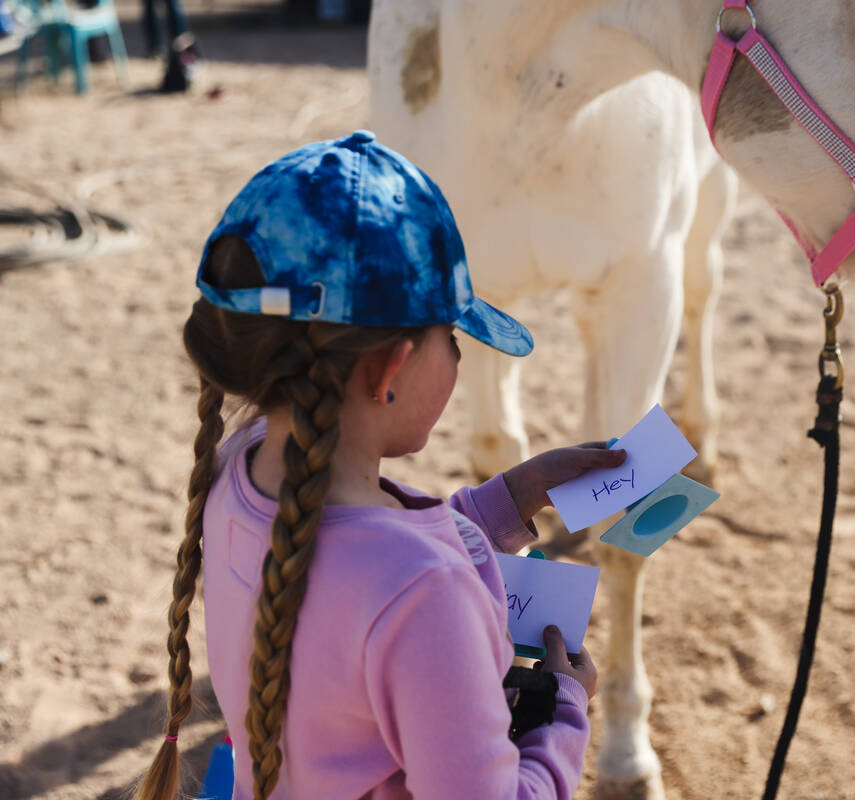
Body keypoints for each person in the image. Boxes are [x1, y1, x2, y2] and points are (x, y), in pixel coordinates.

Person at [133, 130, 624, 799]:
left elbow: (359, 576)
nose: (458, 358)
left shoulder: (236, 468)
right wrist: (565, 710)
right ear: (392, 365)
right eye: (452, 337)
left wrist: (505, 501)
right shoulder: (426, 596)